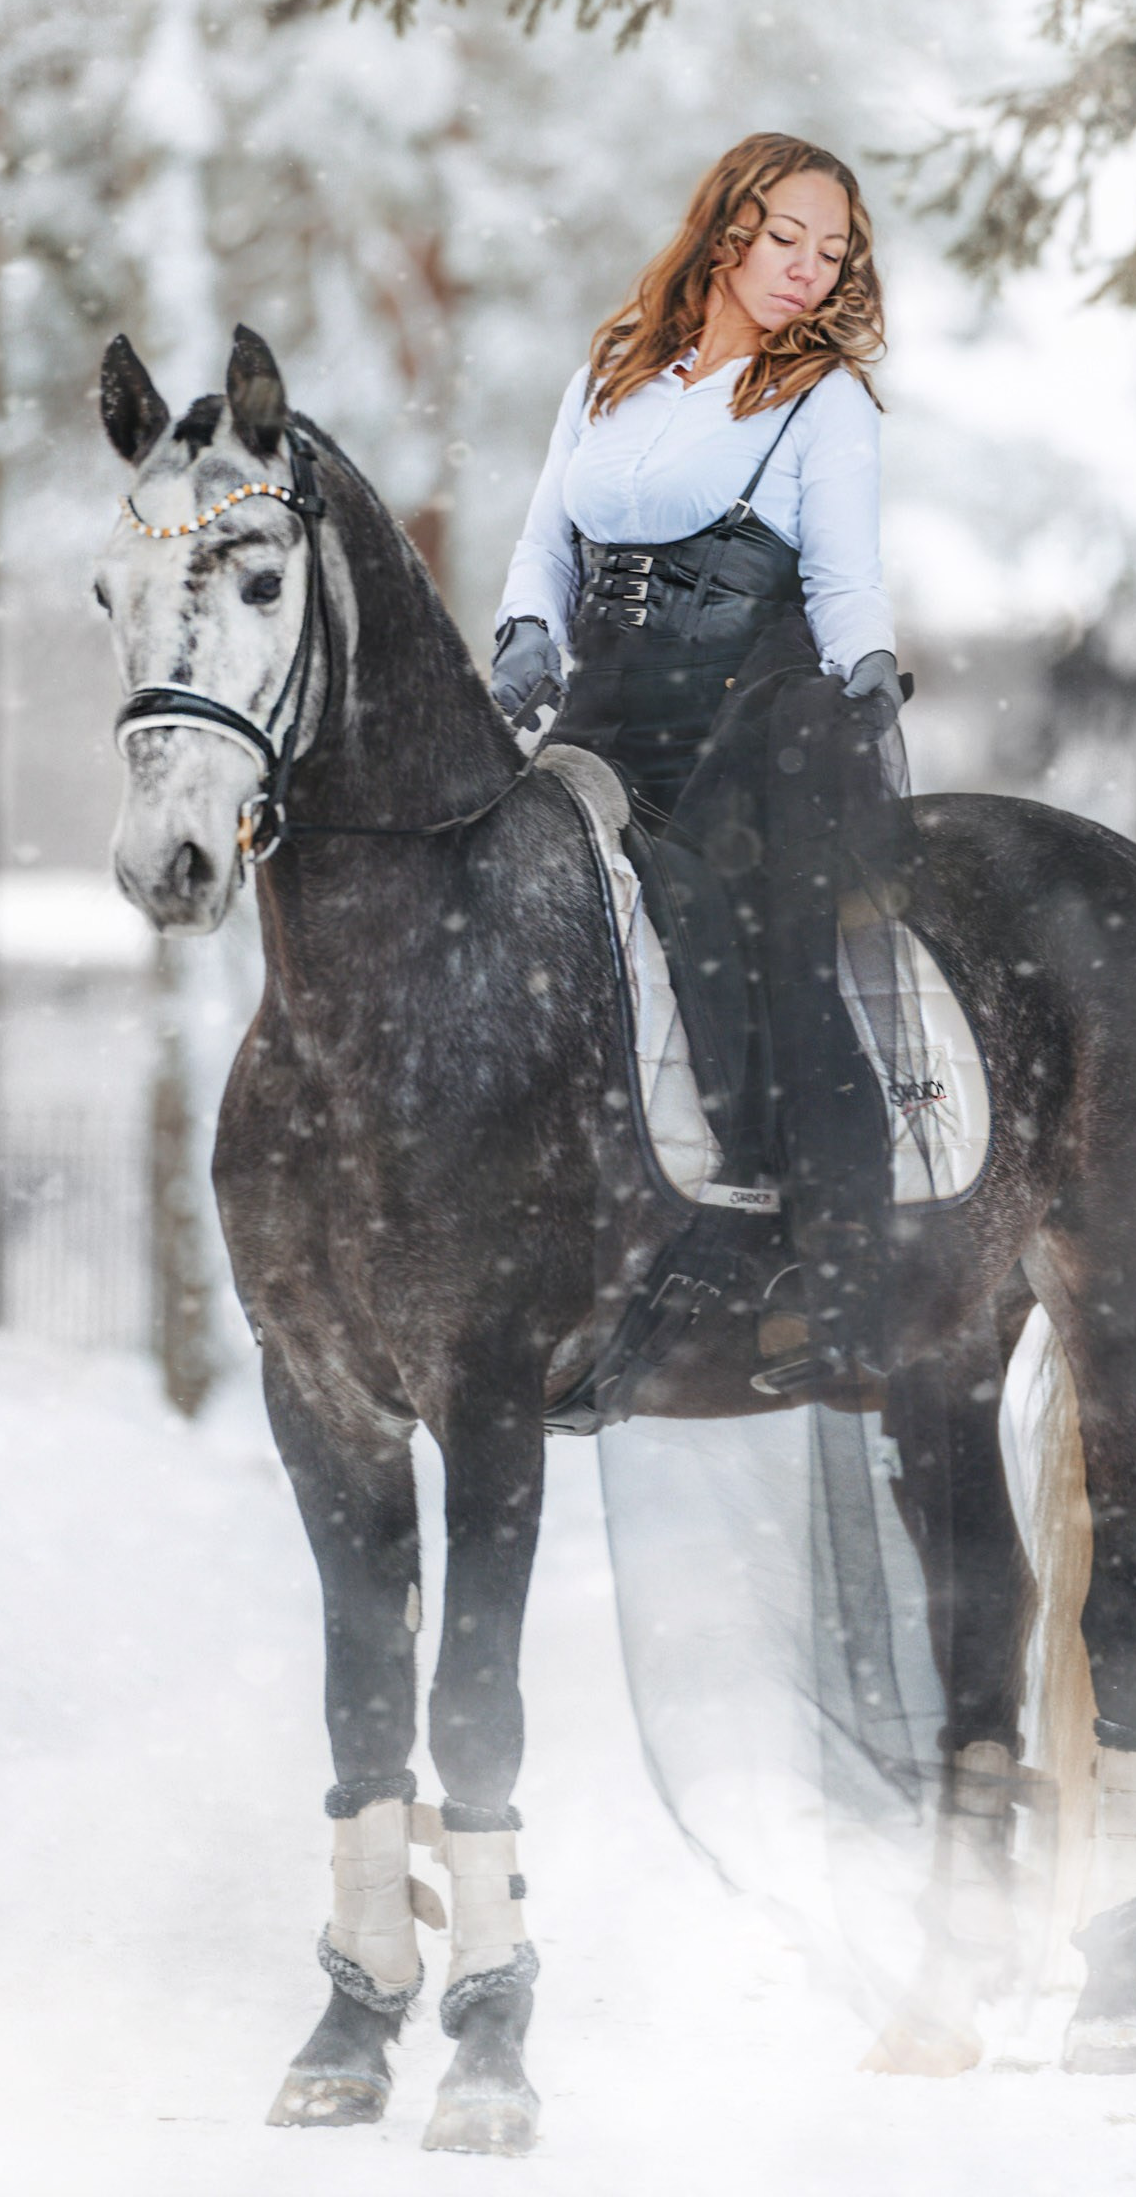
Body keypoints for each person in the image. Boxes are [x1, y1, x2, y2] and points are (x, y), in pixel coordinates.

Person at [490, 132, 907, 1399]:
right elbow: (542, 541)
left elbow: (841, 571)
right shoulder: (610, 375)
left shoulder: (820, 399)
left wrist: (871, 662)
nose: (806, 269)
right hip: (603, 717)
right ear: (726, 227)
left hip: (754, 719)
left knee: (752, 940)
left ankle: (827, 1282)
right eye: (786, 236)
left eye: (830, 252)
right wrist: (522, 630)